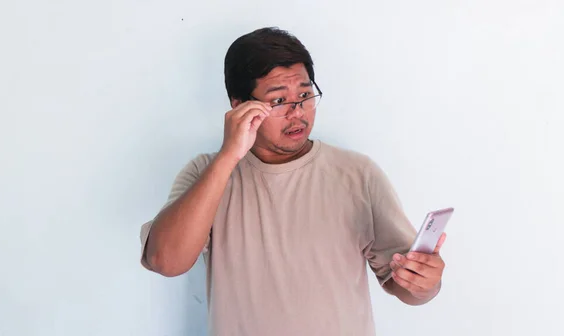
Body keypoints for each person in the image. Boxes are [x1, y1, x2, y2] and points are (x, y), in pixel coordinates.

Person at [139, 27, 447, 336]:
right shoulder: (206, 172)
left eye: (304, 95)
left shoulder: (357, 173)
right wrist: (228, 156)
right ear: (239, 106)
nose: (297, 113)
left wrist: (424, 283)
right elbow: (166, 261)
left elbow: (406, 286)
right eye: (278, 101)